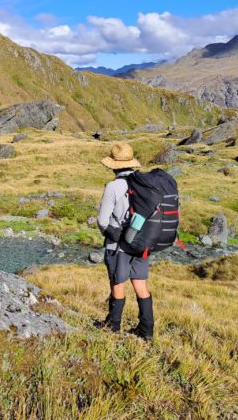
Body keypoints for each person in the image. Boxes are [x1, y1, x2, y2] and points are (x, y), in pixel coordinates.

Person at [96, 143, 154, 341]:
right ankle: (146, 331)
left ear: (113, 165)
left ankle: (113, 326)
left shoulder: (113, 187)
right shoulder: (144, 184)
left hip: (118, 245)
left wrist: (114, 236)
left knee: (117, 283)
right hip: (141, 243)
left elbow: (102, 221)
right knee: (140, 284)